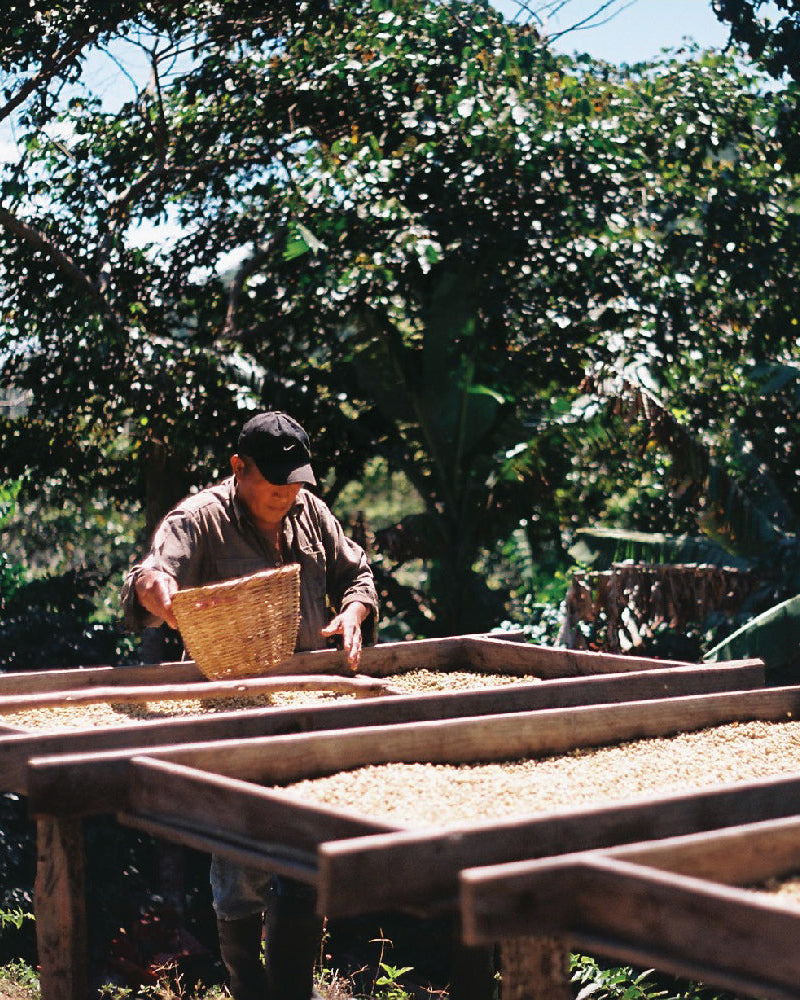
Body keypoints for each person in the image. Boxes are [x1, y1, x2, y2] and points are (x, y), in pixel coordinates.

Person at [121, 410, 379, 1000]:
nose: (286, 495)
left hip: (310, 715)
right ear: (239, 468)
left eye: (295, 484)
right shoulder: (200, 519)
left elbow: (357, 572)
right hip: (236, 718)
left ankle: (292, 991)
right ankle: (248, 987)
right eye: (274, 483)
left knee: (306, 857)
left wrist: (353, 614)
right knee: (241, 868)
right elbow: (150, 575)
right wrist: (153, 589)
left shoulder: (310, 513)